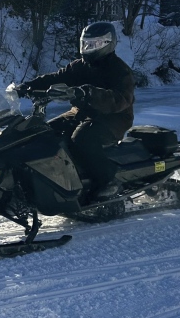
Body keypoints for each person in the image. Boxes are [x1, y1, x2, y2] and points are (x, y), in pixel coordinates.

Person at [16, 21, 135, 202]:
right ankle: (56, 180)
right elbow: (57, 77)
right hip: (81, 112)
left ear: (107, 43)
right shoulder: (79, 66)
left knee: (82, 138)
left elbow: (121, 100)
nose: (88, 48)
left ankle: (108, 181)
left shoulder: (119, 70)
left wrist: (88, 92)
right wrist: (26, 87)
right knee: (45, 132)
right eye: (86, 44)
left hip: (113, 118)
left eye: (93, 44)